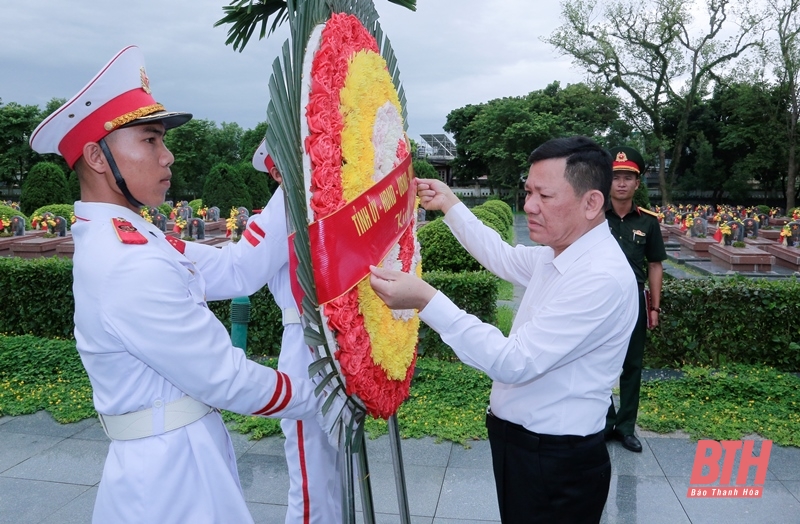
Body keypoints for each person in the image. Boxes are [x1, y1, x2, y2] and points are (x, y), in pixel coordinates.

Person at [29, 45, 333, 524]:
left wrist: (299, 179)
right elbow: (227, 378)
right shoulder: (128, 261)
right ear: (97, 156)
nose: (168, 156)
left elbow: (235, 269)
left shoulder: (134, 237)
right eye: (150, 140)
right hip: (169, 481)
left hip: (181, 454)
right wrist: (332, 389)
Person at [369, 136, 638, 524]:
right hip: (526, 446)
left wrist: (427, 300)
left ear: (592, 203)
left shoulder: (600, 276)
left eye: (544, 196)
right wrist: (450, 204)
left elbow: (514, 362)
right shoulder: (561, 251)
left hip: (556, 459)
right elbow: (503, 257)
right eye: (528, 192)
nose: (529, 206)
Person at [251, 140, 342, 523]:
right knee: (309, 471)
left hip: (332, 341)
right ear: (277, 172)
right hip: (303, 344)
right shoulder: (277, 217)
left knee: (334, 463)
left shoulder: (322, 210)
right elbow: (239, 272)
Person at [604, 146, 667, 453]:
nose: (621, 183)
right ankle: (604, 422)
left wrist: (654, 307)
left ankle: (626, 427)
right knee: (597, 362)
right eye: (616, 177)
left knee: (632, 366)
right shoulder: (592, 218)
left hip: (633, 304)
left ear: (637, 184)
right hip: (598, 303)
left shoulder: (648, 222)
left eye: (628, 177)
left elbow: (655, 265)